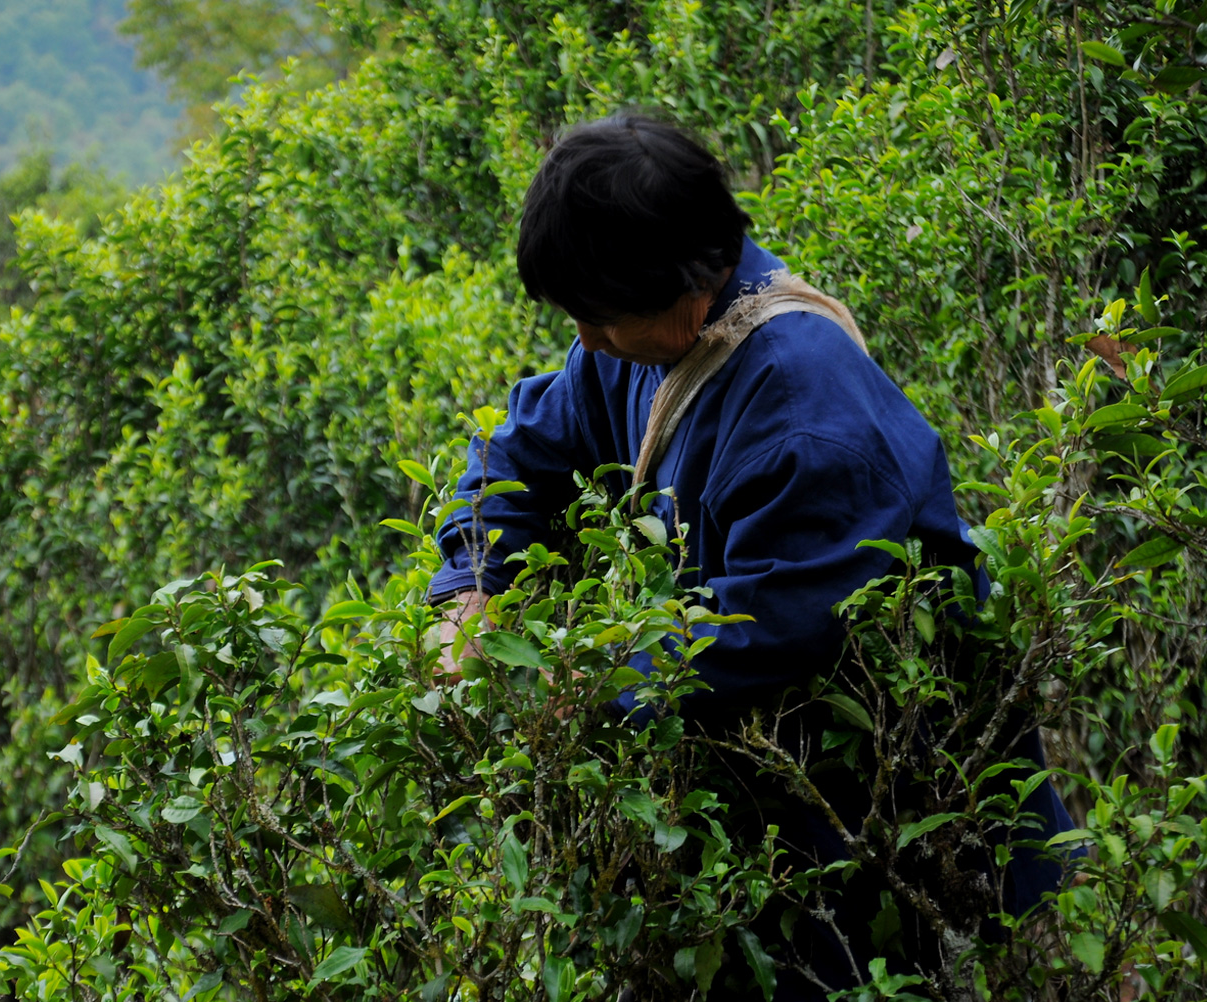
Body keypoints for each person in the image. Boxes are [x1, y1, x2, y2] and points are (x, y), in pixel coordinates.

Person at [427, 114, 1073, 999]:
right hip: (763, 825)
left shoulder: (809, 422)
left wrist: (567, 680)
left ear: (692, 288)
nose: (586, 341)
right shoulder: (639, 344)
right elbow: (514, 456)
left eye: (600, 318)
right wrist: (473, 590)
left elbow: (760, 639)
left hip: (875, 831)